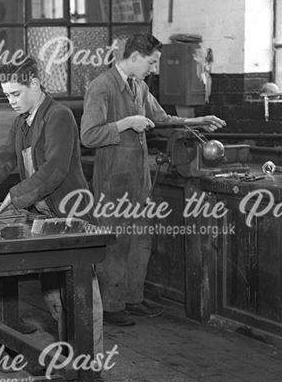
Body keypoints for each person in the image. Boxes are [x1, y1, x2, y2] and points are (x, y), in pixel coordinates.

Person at [0, 57, 103, 356]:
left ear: (34, 83)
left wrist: (14, 197)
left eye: (16, 94)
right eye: (6, 95)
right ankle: (72, 357)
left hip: (70, 217)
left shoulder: (59, 116)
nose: (11, 101)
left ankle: (89, 364)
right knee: (55, 297)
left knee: (82, 296)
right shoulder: (22, 122)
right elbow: (5, 158)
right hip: (42, 217)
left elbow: (54, 170)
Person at [81, 34, 226, 327]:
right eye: (151, 61)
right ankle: (111, 305)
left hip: (139, 179)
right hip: (113, 182)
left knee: (140, 240)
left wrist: (198, 121)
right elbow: (88, 135)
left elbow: (161, 118)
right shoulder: (102, 87)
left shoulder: (140, 86)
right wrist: (126, 124)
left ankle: (132, 298)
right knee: (117, 243)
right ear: (134, 57)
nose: (154, 68)